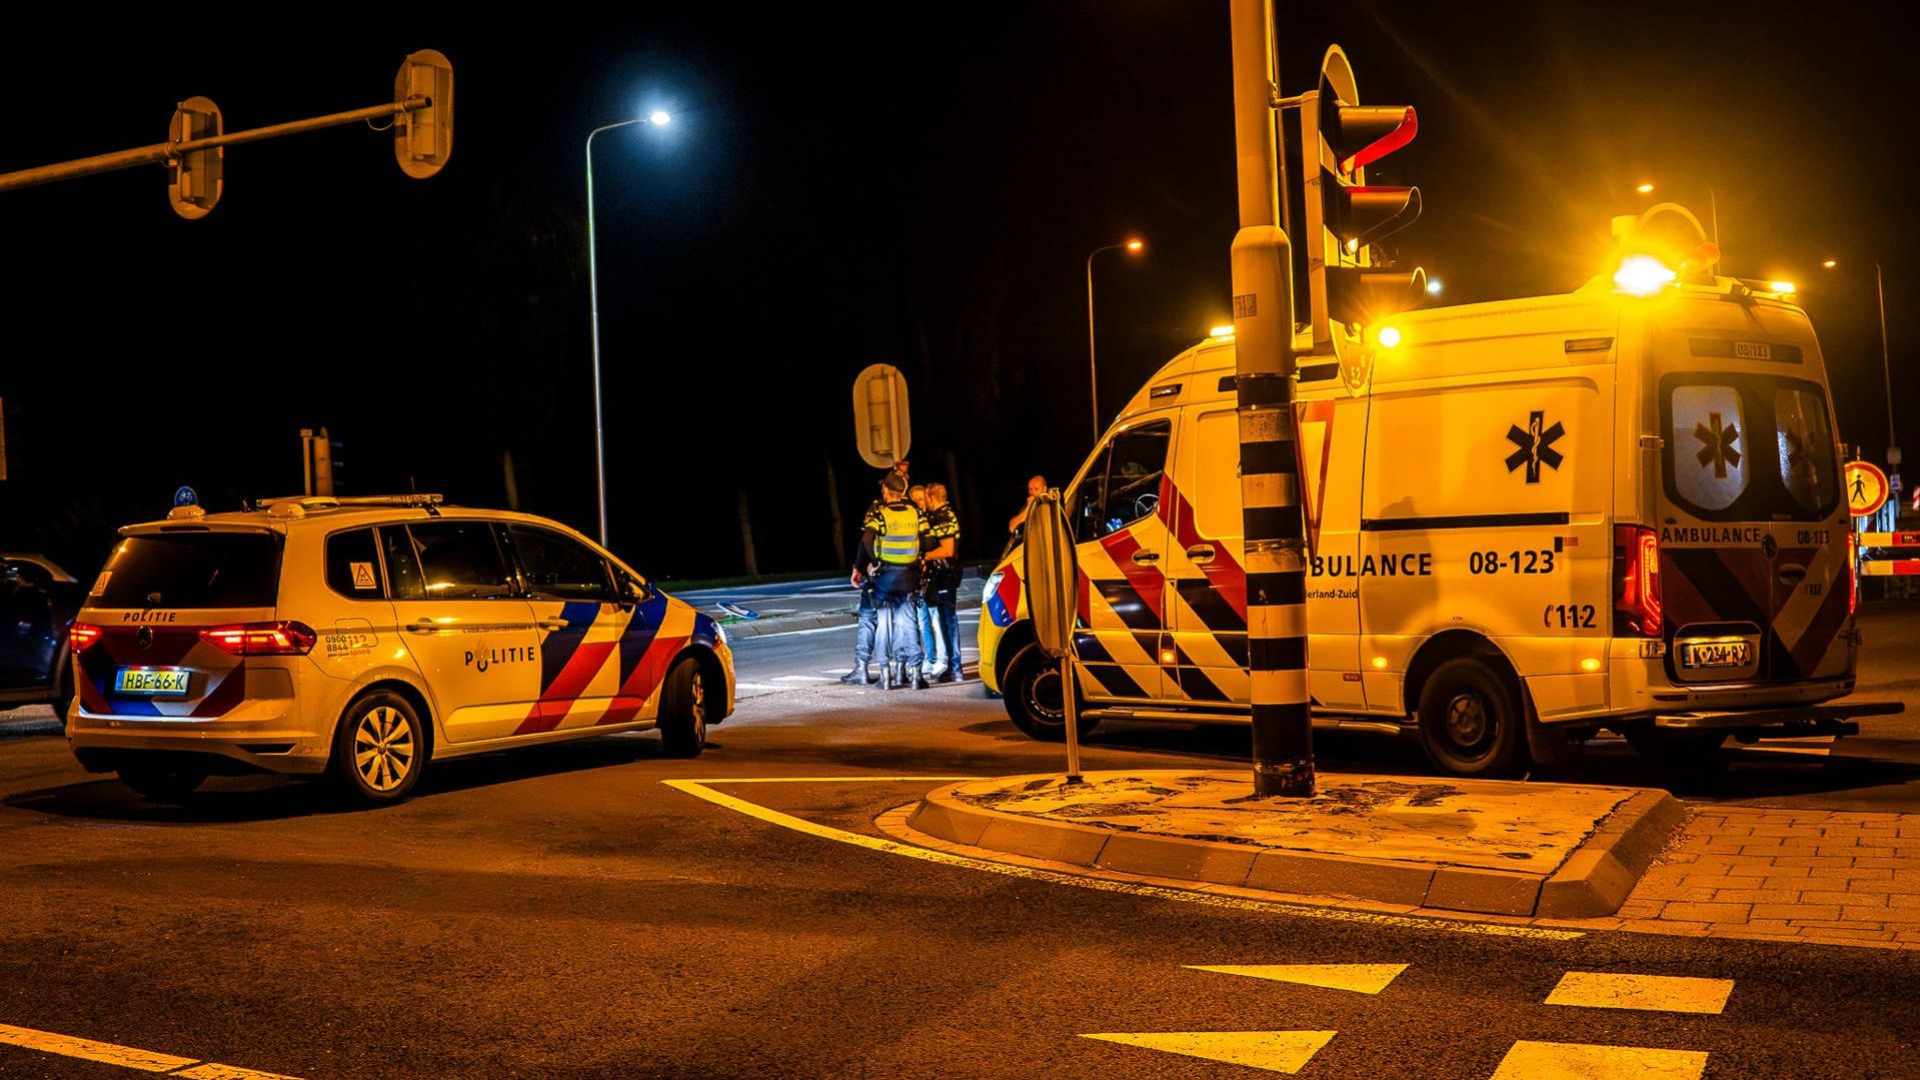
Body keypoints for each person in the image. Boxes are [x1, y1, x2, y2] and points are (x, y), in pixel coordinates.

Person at [859, 473, 927, 689]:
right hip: (909, 575)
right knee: (908, 623)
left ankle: (885, 676)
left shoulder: (881, 514)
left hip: (886, 577)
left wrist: (875, 561)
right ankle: (915, 674)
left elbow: (866, 538)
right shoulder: (914, 513)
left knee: (884, 624)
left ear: (886, 491)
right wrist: (919, 556)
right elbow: (928, 538)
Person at [922, 482, 963, 681]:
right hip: (941, 576)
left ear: (931, 498)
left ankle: (955, 668)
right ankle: (952, 666)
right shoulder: (941, 516)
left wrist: (924, 556)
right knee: (944, 620)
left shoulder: (943, 517)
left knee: (948, 621)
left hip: (946, 575)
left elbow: (947, 550)